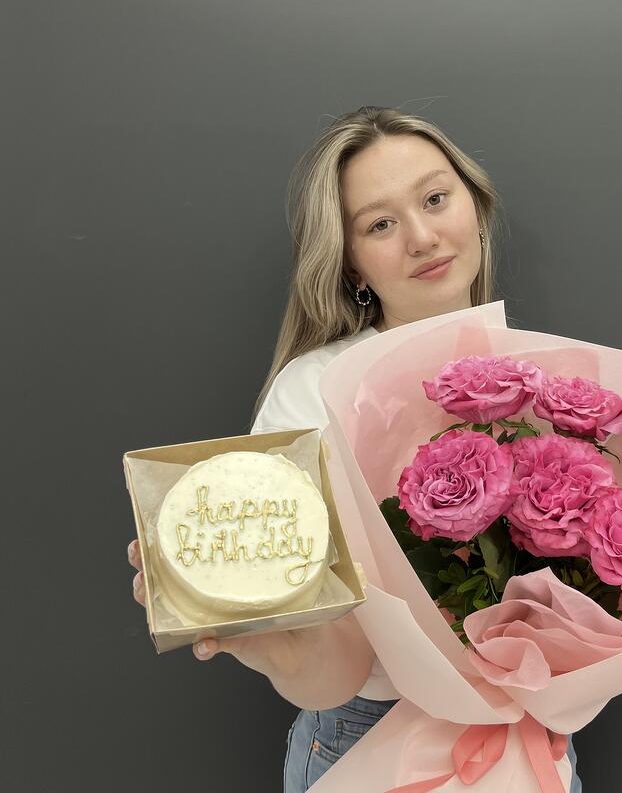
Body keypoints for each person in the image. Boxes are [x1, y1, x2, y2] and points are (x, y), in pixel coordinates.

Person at [126, 106, 584, 792]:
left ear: (477, 209)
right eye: (380, 225)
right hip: (368, 739)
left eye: (435, 199)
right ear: (351, 264)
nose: (422, 237)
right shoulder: (316, 393)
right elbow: (333, 669)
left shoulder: (557, 387)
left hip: (530, 742)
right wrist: (264, 640)